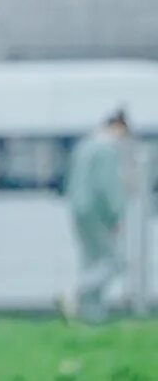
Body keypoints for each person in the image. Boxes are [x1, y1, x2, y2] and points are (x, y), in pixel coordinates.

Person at [68, 110, 135, 316]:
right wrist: (116, 214)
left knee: (90, 260)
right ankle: (77, 291)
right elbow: (108, 187)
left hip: (79, 211)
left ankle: (92, 314)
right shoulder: (106, 150)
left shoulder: (84, 146)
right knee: (113, 262)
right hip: (97, 213)